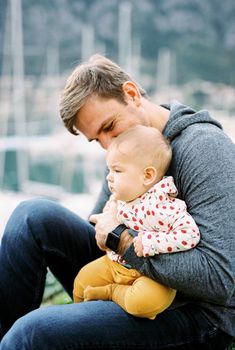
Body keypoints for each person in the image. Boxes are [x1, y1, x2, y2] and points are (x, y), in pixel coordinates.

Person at [0, 54, 234, 349]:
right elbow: (100, 228)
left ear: (132, 95)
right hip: (124, 274)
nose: (108, 144)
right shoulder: (125, 148)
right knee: (30, 215)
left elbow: (222, 280)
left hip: (193, 313)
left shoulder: (204, 147)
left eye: (109, 126)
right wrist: (108, 234)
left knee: (32, 333)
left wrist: (121, 239)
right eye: (96, 139)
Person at [73, 125, 200, 321]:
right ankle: (78, 323)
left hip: (150, 275)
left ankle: (111, 292)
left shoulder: (163, 206)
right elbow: (105, 231)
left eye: (117, 170)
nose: (109, 176)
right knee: (82, 281)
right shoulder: (118, 199)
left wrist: (152, 242)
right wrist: (103, 233)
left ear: (147, 176)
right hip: (114, 264)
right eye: (109, 169)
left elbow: (190, 235)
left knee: (145, 303)